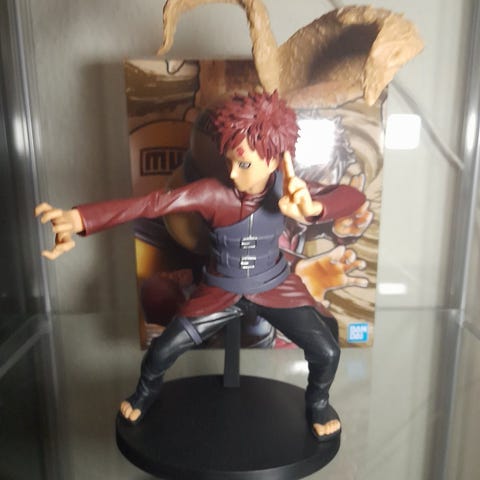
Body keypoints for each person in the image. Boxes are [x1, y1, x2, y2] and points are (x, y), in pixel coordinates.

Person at [36, 91, 365, 441]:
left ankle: (317, 404)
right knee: (162, 350)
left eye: (244, 164)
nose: (233, 174)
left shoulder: (289, 189)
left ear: (273, 160)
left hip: (274, 285)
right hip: (220, 290)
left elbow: (352, 197)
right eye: (229, 162)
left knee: (327, 351)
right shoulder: (212, 192)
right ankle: (145, 394)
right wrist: (80, 218)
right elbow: (151, 204)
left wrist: (313, 209)